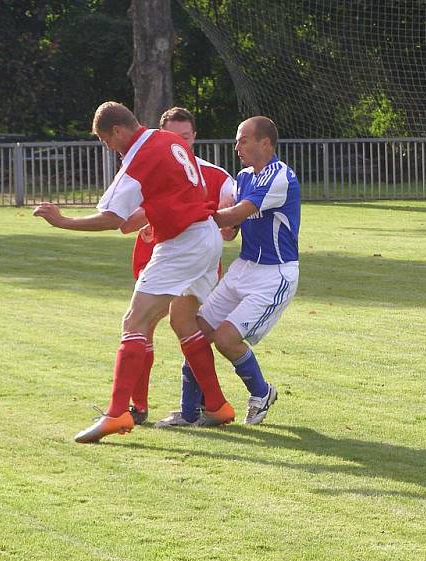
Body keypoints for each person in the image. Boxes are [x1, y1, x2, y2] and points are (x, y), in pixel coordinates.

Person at [33, 101, 235, 442]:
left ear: (116, 131)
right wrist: (151, 216)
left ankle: (117, 415)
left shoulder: (138, 159)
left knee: (134, 322)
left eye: (104, 140)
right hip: (206, 236)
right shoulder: (165, 139)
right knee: (183, 322)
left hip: (182, 243)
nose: (108, 148)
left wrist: (62, 221)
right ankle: (216, 406)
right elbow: (178, 190)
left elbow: (112, 219)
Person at [159, 116, 300, 426]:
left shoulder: (280, 177)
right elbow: (231, 228)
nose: (236, 146)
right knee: (196, 334)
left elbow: (235, 214)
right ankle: (190, 411)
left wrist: (180, 218)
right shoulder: (244, 176)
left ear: (265, 143)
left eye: (243, 140)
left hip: (274, 275)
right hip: (243, 268)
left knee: (225, 338)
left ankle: (261, 393)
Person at [118, 106, 236, 427]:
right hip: (156, 254)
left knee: (181, 325)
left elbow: (235, 204)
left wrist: (231, 222)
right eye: (173, 136)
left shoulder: (214, 174)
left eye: (185, 136)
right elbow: (127, 220)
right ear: (162, 135)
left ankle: (193, 408)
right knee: (147, 328)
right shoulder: (152, 163)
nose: (180, 142)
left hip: (194, 259)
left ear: (194, 137)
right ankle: (138, 407)